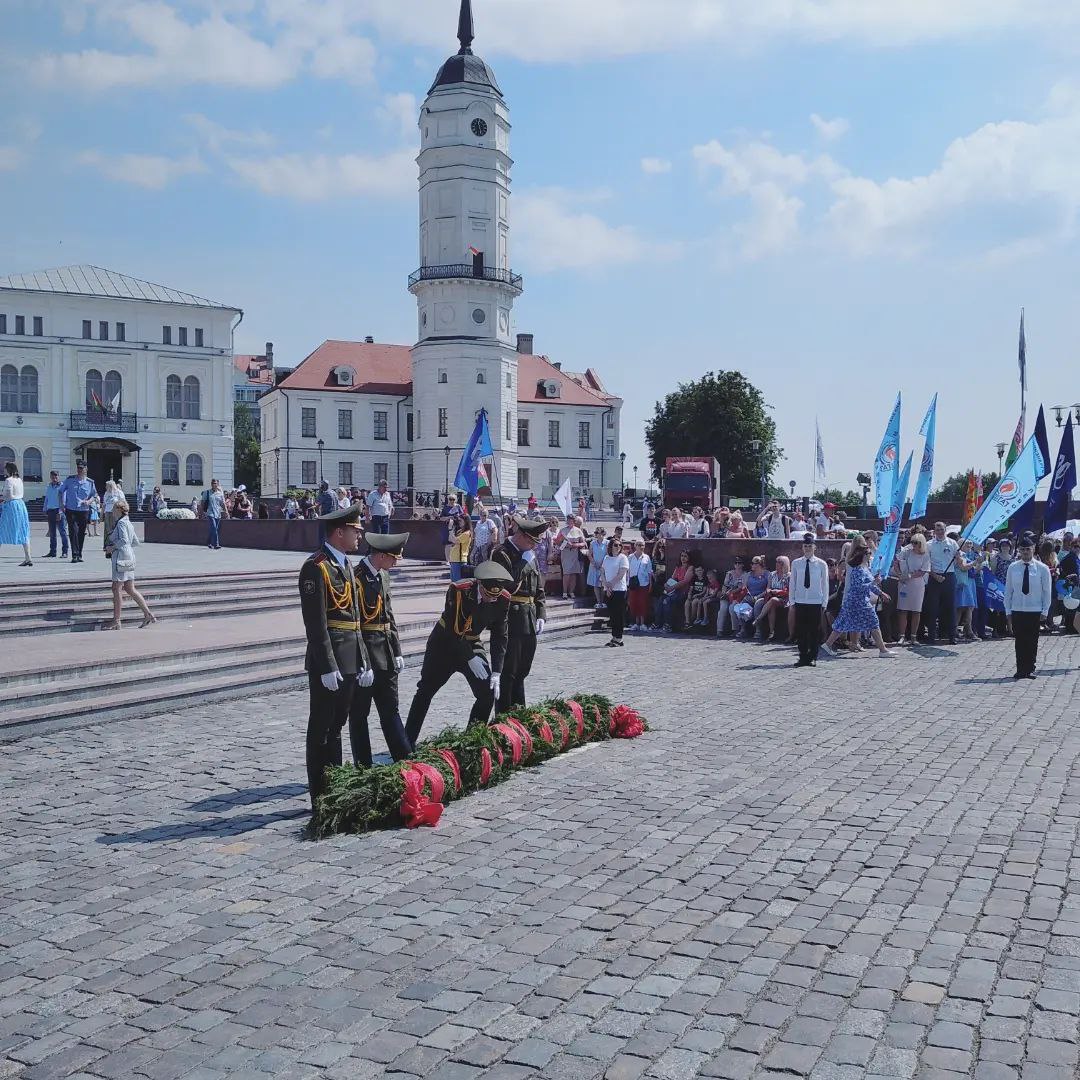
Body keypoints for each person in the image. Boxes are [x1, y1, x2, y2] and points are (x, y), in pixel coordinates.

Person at [298, 503, 375, 809]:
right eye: (356, 530)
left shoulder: (344, 565)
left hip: (351, 658)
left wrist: (364, 659)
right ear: (339, 532)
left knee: (338, 725)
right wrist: (327, 665)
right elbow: (315, 624)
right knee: (321, 727)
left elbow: (357, 621)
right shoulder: (316, 567)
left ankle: (335, 787)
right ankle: (319, 795)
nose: (360, 535)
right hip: (329, 662)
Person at [405, 561, 511, 743]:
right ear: (479, 584)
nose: (491, 600)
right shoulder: (459, 590)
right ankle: (406, 742)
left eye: (495, 596)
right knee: (425, 691)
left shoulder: (503, 598)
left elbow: (500, 635)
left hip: (471, 641)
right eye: (488, 595)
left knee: (487, 692)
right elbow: (453, 631)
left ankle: (472, 740)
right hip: (443, 645)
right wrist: (469, 658)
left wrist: (496, 671)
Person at [347, 532, 414, 768]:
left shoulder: (383, 576)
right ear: (382, 555)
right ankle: (363, 766)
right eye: (394, 558)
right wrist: (363, 662)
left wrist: (397, 650)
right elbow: (354, 625)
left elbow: (389, 616)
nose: (396, 562)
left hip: (385, 653)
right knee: (359, 715)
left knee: (390, 710)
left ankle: (405, 761)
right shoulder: (354, 578)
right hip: (365, 656)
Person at [492, 516, 547, 712]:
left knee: (522, 671)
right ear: (521, 536)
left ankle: (519, 714)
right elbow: (508, 586)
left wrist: (541, 613)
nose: (533, 545)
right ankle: (504, 717)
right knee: (509, 672)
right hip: (511, 619)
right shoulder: (501, 554)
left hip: (529, 618)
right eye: (531, 540)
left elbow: (538, 589)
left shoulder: (528, 555)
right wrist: (523, 564)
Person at [822, 542, 895, 658]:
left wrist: (881, 593)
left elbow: (870, 586)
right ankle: (883, 650)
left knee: (843, 623)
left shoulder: (864, 568)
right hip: (858, 601)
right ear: (863, 555)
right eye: (868, 553)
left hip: (857, 601)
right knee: (873, 622)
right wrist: (875, 582)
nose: (870, 555)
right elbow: (858, 587)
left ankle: (827, 645)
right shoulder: (857, 570)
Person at [102, 499, 156, 629]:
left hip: (121, 558)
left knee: (116, 588)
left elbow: (124, 540)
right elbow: (135, 541)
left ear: (120, 510)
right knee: (129, 588)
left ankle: (117, 620)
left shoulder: (121, 523)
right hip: (130, 556)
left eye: (115, 509)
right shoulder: (128, 522)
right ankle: (148, 614)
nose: (113, 511)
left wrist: (111, 548)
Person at [1005, 534, 1052, 679]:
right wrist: (1008, 610)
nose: (1025, 552)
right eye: (1023, 549)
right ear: (1019, 550)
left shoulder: (1042, 568)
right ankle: (1020, 669)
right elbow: (1008, 591)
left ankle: (1030, 667)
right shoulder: (1013, 567)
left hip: (1034, 609)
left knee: (1032, 640)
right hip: (1018, 609)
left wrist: (1045, 610)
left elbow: (1047, 591)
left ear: (1033, 549)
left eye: (1028, 549)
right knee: (1019, 640)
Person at [789, 533, 829, 666]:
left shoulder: (821, 564)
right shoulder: (796, 563)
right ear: (802, 547)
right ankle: (802, 656)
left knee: (814, 630)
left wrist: (824, 602)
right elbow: (793, 583)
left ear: (814, 547)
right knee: (801, 631)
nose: (807, 548)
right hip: (800, 600)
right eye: (805, 546)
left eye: (810, 546)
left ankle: (813, 657)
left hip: (815, 601)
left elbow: (825, 584)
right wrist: (792, 601)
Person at [923, 521, 959, 645]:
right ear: (934, 531)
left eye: (941, 529)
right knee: (933, 608)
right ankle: (931, 636)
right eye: (937, 530)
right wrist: (935, 575)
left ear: (945, 530)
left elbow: (958, 561)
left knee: (950, 607)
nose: (939, 532)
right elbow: (926, 563)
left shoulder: (953, 543)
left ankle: (952, 636)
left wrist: (960, 557)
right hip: (934, 577)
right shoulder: (929, 545)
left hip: (949, 576)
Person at [896, 532, 931, 644]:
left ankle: (913, 636)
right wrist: (899, 575)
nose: (913, 545)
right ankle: (902, 636)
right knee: (903, 609)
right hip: (904, 583)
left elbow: (923, 570)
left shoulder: (925, 554)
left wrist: (910, 576)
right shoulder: (905, 552)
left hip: (917, 584)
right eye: (912, 542)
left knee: (916, 610)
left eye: (916, 543)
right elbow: (896, 562)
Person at [60, 461, 96, 562]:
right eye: (78, 468)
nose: (80, 470)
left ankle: (79, 553)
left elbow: (94, 495)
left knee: (81, 533)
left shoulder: (90, 482)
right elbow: (60, 491)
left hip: (84, 511)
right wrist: (61, 504)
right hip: (71, 510)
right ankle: (74, 555)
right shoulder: (69, 480)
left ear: (86, 469)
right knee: (73, 531)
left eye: (82, 468)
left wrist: (88, 501)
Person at [0, 461, 33, 566]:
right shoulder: (19, 480)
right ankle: (28, 557)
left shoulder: (8, 480)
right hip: (21, 505)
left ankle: (28, 558)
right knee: (24, 530)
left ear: (8, 469)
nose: (3, 470)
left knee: (2, 529)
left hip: (11, 506)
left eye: (5, 468)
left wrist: (2, 498)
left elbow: (9, 494)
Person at [752, 556, 791, 643]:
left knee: (773, 600)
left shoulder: (789, 576)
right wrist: (770, 591)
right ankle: (770, 632)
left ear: (784, 564)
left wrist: (778, 591)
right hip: (771, 597)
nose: (777, 564)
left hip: (784, 599)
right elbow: (768, 588)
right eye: (776, 562)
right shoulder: (772, 574)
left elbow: (790, 590)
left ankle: (758, 619)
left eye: (780, 563)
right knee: (762, 603)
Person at [601, 537, 630, 646]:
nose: (618, 547)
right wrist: (606, 585)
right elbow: (602, 572)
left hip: (619, 590)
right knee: (612, 615)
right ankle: (614, 637)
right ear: (611, 546)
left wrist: (610, 585)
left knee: (619, 614)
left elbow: (621, 574)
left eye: (619, 545)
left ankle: (619, 638)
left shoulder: (623, 558)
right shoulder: (607, 558)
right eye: (615, 545)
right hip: (608, 589)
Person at [955, 539, 982, 641]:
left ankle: (967, 631)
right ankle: (961, 632)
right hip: (962, 583)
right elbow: (963, 568)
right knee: (961, 607)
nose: (970, 545)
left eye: (971, 543)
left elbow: (974, 572)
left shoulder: (967, 555)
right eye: (967, 543)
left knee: (968, 607)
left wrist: (979, 564)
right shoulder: (960, 554)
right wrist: (975, 562)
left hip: (970, 583)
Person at [555, 514, 586, 599]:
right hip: (565, 553)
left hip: (575, 553)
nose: (570, 521)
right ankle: (564, 592)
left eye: (571, 520)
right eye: (568, 520)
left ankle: (571, 592)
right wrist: (564, 542)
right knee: (566, 573)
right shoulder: (562, 530)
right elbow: (557, 542)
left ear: (574, 521)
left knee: (573, 574)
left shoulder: (578, 530)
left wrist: (575, 545)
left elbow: (584, 543)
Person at [716, 557, 748, 637]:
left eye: (739, 563)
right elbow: (725, 585)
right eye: (736, 563)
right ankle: (719, 630)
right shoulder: (729, 573)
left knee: (732, 608)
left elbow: (741, 588)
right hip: (727, 595)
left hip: (737, 596)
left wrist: (731, 593)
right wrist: (724, 593)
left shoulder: (745, 574)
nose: (737, 565)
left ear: (742, 564)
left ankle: (735, 629)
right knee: (722, 608)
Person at [41, 470, 69, 559]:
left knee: (62, 532)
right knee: (52, 533)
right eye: (53, 476)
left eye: (56, 476)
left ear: (58, 477)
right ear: (50, 477)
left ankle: (65, 552)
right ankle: (52, 551)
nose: (54, 478)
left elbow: (63, 500)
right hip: (50, 510)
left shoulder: (62, 486)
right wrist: (45, 508)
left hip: (59, 511)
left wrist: (60, 512)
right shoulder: (49, 486)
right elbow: (47, 498)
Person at [627, 539, 653, 631]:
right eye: (638, 545)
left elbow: (650, 571)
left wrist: (650, 583)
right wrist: (627, 582)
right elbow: (627, 571)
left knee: (643, 603)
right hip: (633, 583)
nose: (640, 547)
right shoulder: (630, 557)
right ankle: (635, 623)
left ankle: (642, 623)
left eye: (642, 545)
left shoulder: (646, 557)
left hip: (644, 583)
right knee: (634, 603)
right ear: (635, 546)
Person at [587, 526, 608, 610]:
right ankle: (598, 602)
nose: (596, 534)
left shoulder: (607, 543)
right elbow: (589, 554)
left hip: (604, 566)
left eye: (597, 533)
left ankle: (602, 602)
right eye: (595, 533)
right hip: (594, 566)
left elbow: (608, 555)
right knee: (595, 584)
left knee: (602, 584)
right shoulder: (593, 543)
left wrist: (602, 564)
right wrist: (593, 563)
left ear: (602, 533)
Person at [448, 514, 473, 582]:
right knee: (453, 582)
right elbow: (450, 539)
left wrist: (450, 529)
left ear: (466, 521)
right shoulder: (460, 532)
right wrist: (452, 529)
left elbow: (455, 540)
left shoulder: (467, 533)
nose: (459, 522)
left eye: (460, 521)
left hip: (459, 560)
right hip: (454, 559)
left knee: (458, 582)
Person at [203, 478, 226, 550]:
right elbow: (202, 503)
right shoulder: (207, 492)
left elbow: (222, 504)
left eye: (215, 483)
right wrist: (202, 512)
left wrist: (226, 512)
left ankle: (208, 542)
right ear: (211, 484)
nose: (214, 485)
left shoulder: (220, 494)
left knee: (214, 529)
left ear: (218, 484)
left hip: (218, 513)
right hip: (210, 513)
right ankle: (216, 544)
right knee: (214, 528)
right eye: (213, 483)